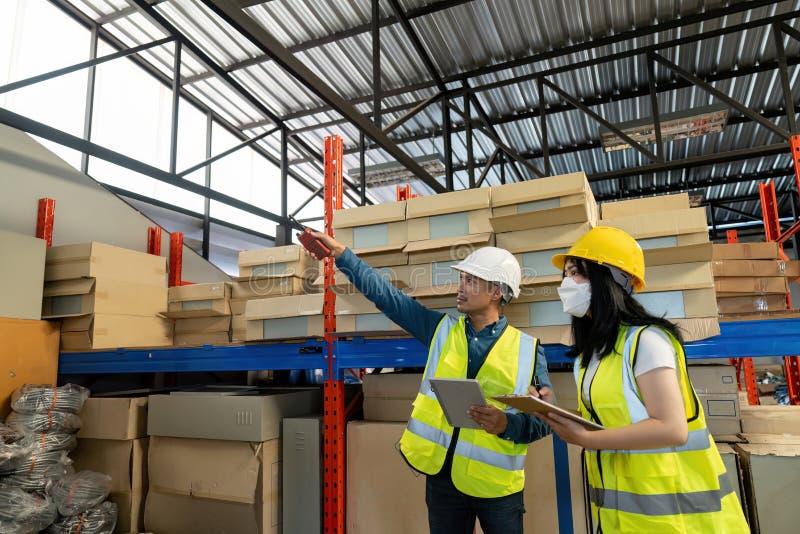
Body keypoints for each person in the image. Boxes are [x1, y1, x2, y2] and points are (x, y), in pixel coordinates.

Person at [310, 231, 553, 534]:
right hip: (443, 481)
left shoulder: (529, 350)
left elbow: (546, 419)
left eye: (470, 281)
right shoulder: (441, 330)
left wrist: (506, 424)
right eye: (461, 279)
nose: (460, 288)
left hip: (497, 490)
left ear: (496, 291)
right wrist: (343, 256)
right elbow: (388, 298)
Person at [535, 226, 748, 533]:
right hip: (625, 519)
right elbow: (611, 418)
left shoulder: (646, 342)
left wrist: (586, 440)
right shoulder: (589, 356)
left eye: (576, 274)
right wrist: (556, 411)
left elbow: (671, 428)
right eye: (565, 275)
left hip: (681, 518)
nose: (567, 284)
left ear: (609, 280)